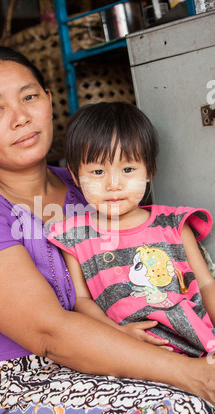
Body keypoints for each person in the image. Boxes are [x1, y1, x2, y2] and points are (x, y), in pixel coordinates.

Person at [0, 46, 215, 414]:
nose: (21, 117)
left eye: (29, 97)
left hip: (122, 357)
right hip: (13, 379)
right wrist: (192, 375)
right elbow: (50, 332)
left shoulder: (99, 186)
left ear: (48, 99)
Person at [48, 101, 215, 358]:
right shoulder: (75, 236)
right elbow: (81, 301)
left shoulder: (173, 224)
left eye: (127, 169)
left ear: (149, 169)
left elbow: (205, 284)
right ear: (75, 174)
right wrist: (118, 333)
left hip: (199, 343)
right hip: (130, 352)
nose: (113, 184)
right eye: (97, 171)